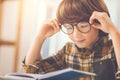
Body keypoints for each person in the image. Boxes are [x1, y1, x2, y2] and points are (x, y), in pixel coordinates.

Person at [22, 0, 120, 80]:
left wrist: (114, 32)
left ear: (100, 23)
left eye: (83, 26)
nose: (76, 35)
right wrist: (40, 36)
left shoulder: (113, 48)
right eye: (68, 27)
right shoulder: (68, 51)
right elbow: (32, 71)